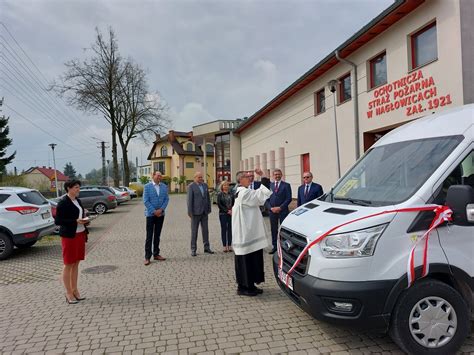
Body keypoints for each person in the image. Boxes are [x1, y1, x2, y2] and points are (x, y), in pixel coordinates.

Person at [232, 168, 273, 296]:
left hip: (247, 233)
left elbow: (257, 195)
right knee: (246, 260)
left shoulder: (242, 191)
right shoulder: (244, 193)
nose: (249, 177)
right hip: (246, 235)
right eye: (246, 176)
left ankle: (249, 285)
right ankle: (245, 288)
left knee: (250, 259)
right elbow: (259, 197)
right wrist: (264, 177)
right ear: (240, 179)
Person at [55, 179, 89, 304]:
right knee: (68, 264)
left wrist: (85, 220)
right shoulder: (63, 202)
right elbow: (58, 221)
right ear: (68, 188)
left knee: (76, 263)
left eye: (79, 187)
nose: (78, 190)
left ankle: (75, 290)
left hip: (80, 234)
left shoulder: (78, 201)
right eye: (76, 187)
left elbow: (78, 216)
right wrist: (75, 221)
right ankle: (68, 293)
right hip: (69, 237)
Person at [143, 171, 170, 266]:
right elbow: (145, 201)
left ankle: (156, 254)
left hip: (161, 215)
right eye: (158, 175)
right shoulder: (147, 187)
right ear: (153, 176)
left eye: (160, 175)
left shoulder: (164, 186)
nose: (159, 177)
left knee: (157, 235)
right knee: (149, 236)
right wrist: (154, 211)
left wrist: (161, 209)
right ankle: (147, 257)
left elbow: (167, 199)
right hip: (150, 215)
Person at [187, 171, 214, 256]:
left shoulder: (205, 185)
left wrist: (209, 208)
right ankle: (193, 249)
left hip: (204, 212)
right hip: (195, 213)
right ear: (195, 178)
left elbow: (208, 198)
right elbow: (189, 200)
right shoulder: (191, 186)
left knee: (205, 231)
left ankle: (206, 247)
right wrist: (190, 212)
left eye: (201, 177)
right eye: (199, 177)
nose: (201, 178)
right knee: (194, 231)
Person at [266, 168, 292, 254]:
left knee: (283, 230)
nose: (277, 176)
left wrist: (280, 207)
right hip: (272, 212)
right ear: (273, 176)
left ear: (281, 175)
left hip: (283, 211)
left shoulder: (286, 185)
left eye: (278, 174)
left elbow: (289, 198)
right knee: (274, 229)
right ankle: (275, 246)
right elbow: (266, 199)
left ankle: (284, 247)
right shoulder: (270, 185)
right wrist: (271, 208)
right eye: (275, 174)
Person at [217, 181, 234, 252]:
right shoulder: (219, 194)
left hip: (231, 214)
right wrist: (227, 211)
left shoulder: (231, 194)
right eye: (224, 185)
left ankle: (229, 245)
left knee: (230, 229)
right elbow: (219, 205)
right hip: (223, 214)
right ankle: (224, 246)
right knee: (224, 229)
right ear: (222, 187)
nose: (226, 186)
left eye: (227, 185)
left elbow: (234, 203)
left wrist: (232, 210)